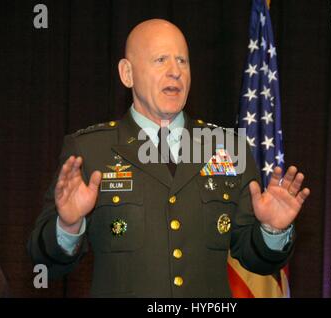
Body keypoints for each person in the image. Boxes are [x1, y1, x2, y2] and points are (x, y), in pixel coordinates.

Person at [27, 19, 310, 297]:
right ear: (127, 73)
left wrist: (272, 229)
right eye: (161, 60)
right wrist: (68, 226)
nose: (175, 71)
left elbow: (255, 259)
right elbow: (44, 262)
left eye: (182, 61)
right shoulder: (90, 150)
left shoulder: (227, 147)